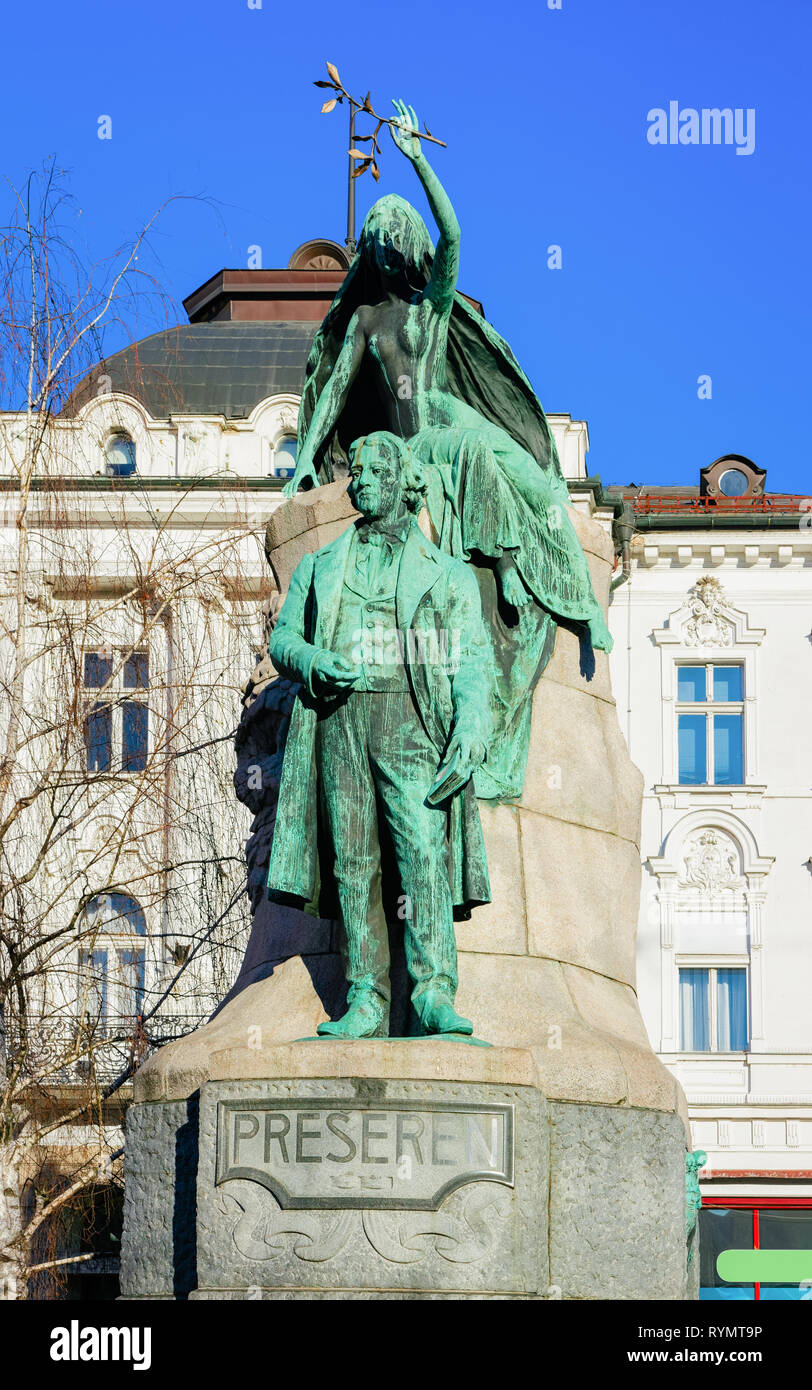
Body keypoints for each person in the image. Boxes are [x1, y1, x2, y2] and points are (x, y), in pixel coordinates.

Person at [282, 100, 611, 798]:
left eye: (391, 237)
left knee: (540, 483)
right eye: (380, 239)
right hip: (422, 441)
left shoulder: (431, 308)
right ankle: (510, 571)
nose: (387, 247)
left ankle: (572, 598)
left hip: (454, 416)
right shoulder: (365, 322)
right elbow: (335, 394)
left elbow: (455, 236)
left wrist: (420, 160)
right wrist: (299, 465)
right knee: (476, 461)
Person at [268, 431, 492, 1039]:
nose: (358, 482)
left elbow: (474, 662)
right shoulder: (320, 566)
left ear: (402, 481)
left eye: (371, 472)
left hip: (412, 720)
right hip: (340, 718)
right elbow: (282, 640)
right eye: (355, 471)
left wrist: (470, 733)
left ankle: (432, 994)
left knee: (423, 855)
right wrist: (314, 661)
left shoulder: (447, 575)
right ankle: (366, 996)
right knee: (353, 862)